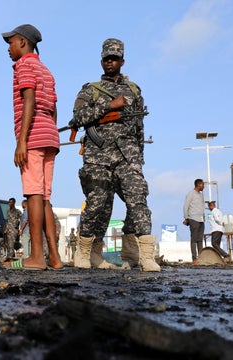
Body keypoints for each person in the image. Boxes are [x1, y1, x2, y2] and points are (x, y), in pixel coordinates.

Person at [68, 38, 159, 271]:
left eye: (114, 58)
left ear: (122, 61)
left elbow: (139, 126)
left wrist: (139, 156)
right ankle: (87, 252)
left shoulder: (134, 91)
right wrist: (108, 106)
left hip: (127, 156)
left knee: (138, 198)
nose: (110, 62)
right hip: (97, 156)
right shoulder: (90, 90)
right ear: (101, 61)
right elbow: (77, 119)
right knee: (99, 204)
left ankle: (145, 255)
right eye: (106, 58)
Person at [2, 24, 62, 270]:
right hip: (49, 136)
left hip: (34, 137)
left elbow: (29, 99)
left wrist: (22, 141)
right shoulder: (46, 70)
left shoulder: (24, 65)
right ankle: (54, 257)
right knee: (45, 197)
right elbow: (54, 109)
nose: (9, 48)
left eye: (11, 42)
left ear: (24, 43)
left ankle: (36, 256)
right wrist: (50, 133)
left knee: (33, 194)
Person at [183, 179, 206, 265]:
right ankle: (194, 259)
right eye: (203, 185)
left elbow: (201, 207)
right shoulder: (191, 194)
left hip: (201, 220)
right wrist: (186, 218)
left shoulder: (201, 195)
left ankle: (201, 258)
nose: (204, 186)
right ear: (199, 184)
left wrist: (203, 216)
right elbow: (186, 206)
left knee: (200, 240)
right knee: (194, 240)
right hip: (193, 219)